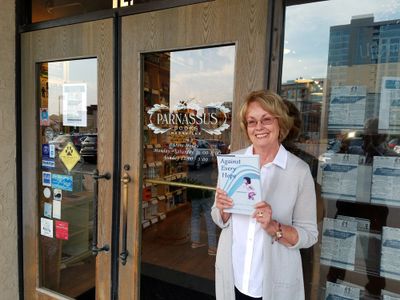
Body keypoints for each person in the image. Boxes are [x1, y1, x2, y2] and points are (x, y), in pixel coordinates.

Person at [211, 90, 318, 300]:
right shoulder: (233, 162)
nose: (258, 127)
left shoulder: (299, 171)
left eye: (266, 119)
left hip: (273, 284)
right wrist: (223, 210)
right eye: (252, 122)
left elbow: (309, 235)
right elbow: (218, 217)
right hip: (233, 277)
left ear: (281, 124)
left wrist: (274, 227)